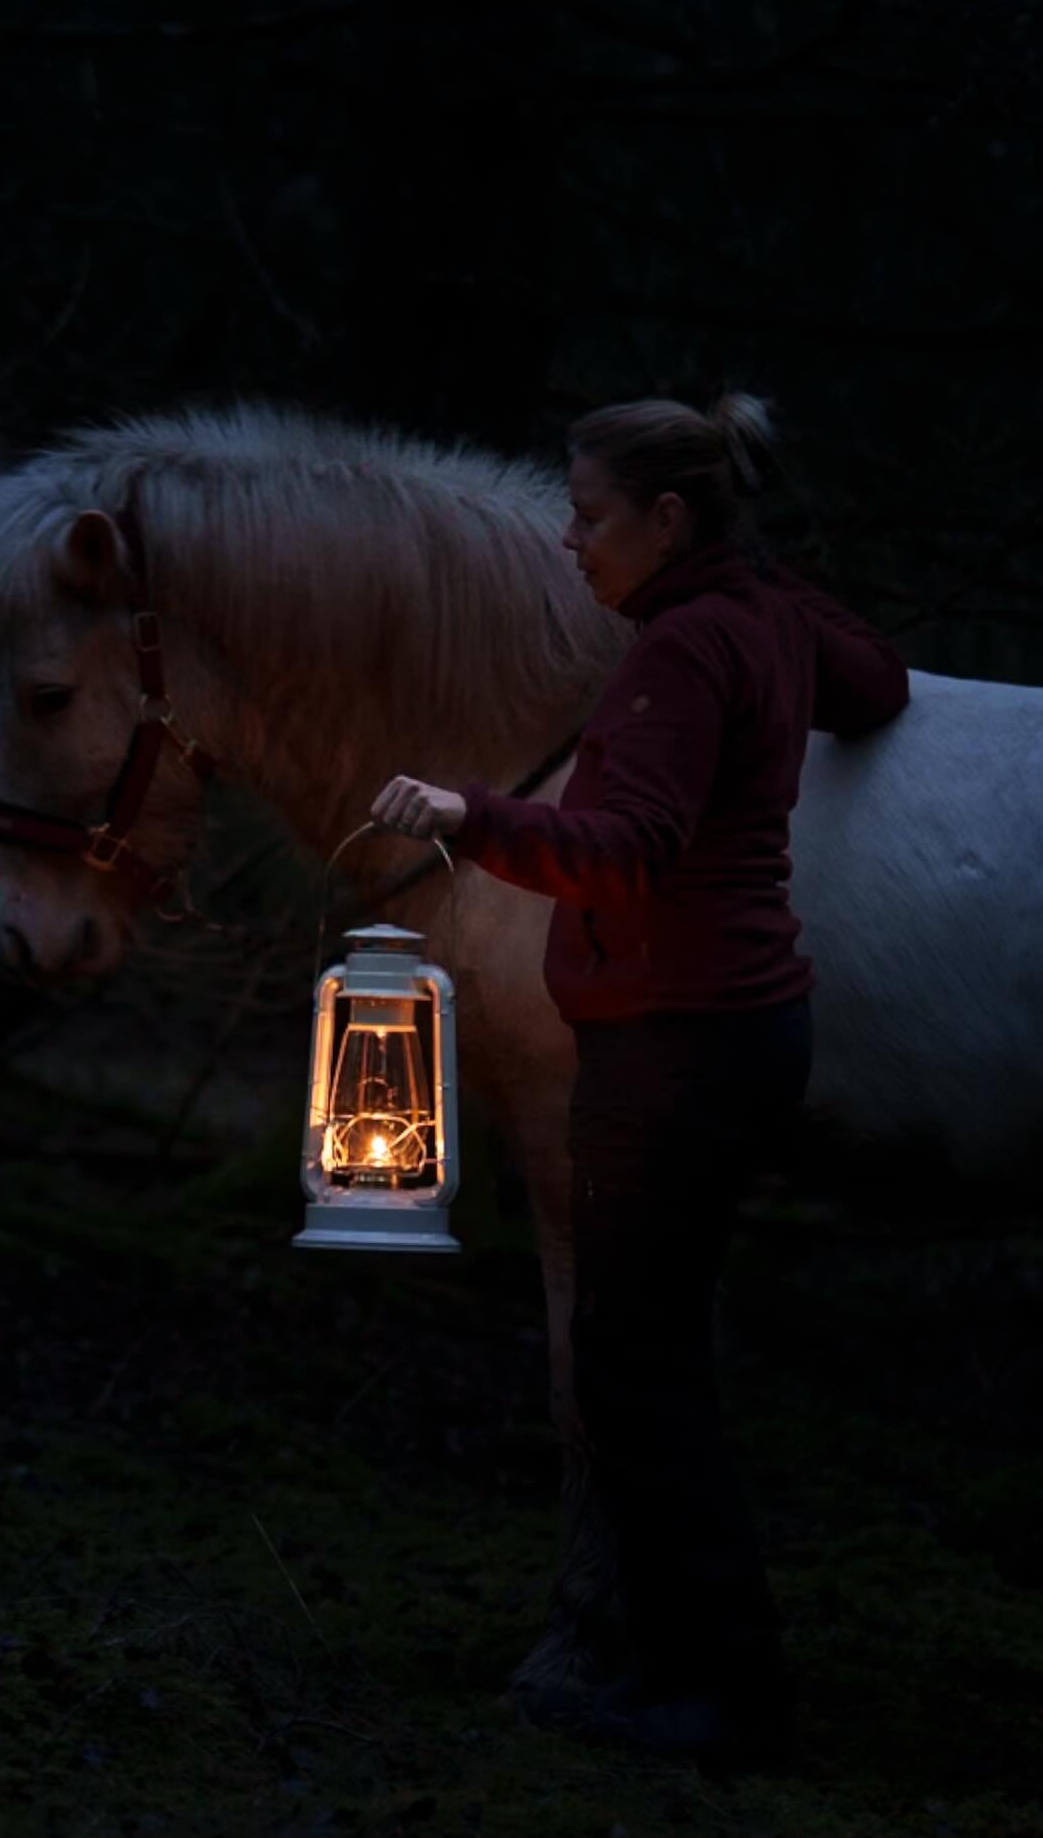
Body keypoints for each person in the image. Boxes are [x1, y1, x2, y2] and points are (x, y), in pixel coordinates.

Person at [369, 393, 911, 1773]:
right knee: (650, 1361)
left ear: (669, 521)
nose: (569, 542)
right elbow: (877, 686)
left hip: (673, 1045)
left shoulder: (682, 651)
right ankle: (694, 1674)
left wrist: (464, 814)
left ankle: (718, 1693)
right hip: (737, 1030)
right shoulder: (758, 621)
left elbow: (625, 845)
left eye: (593, 516)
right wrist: (764, 577)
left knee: (637, 1373)